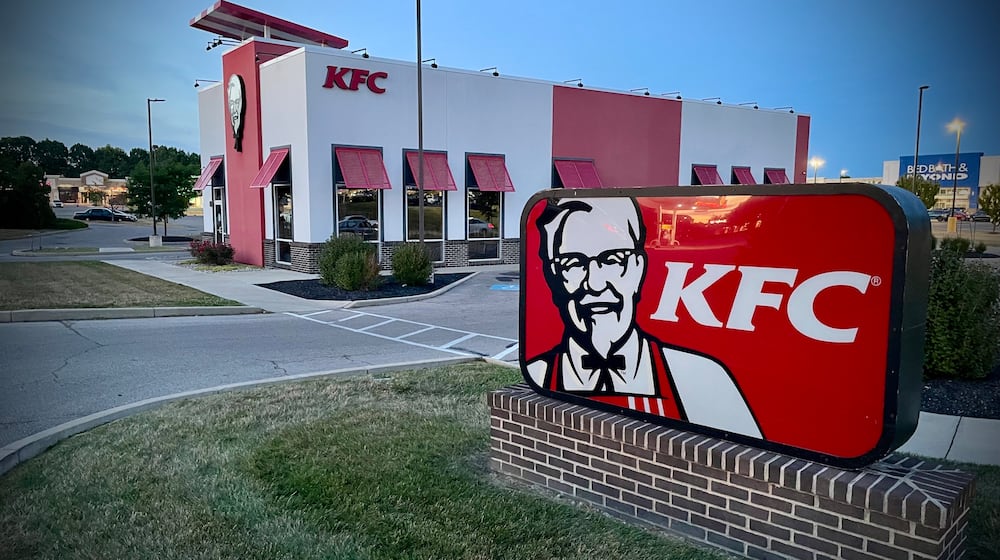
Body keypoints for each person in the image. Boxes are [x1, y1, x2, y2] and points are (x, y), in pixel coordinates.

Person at [526, 197, 762, 438]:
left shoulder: (703, 377)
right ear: (554, 278)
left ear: (638, 268)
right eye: (573, 264)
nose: (595, 284)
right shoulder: (538, 375)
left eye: (612, 260)